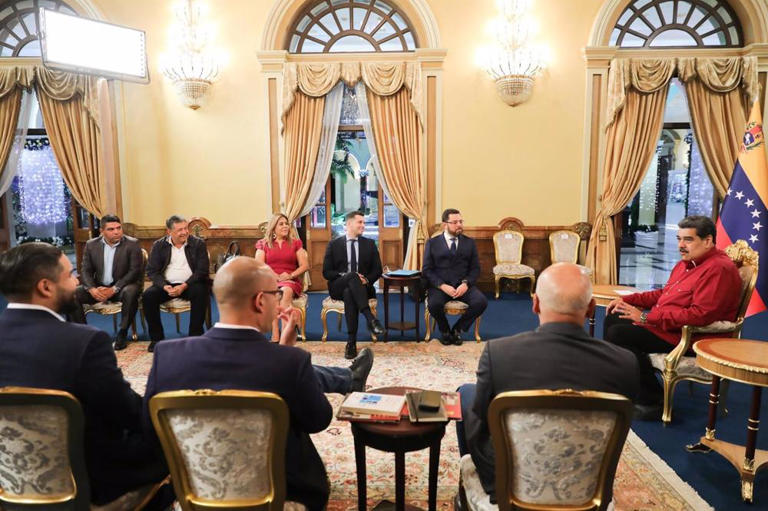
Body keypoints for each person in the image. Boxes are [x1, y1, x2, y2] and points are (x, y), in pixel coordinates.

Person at [143, 257, 373, 510]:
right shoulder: (290, 362)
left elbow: (150, 433)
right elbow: (319, 420)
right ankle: (349, 380)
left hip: (194, 497)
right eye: (276, 294)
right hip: (283, 498)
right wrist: (287, 356)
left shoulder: (167, 357)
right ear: (260, 301)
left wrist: (284, 355)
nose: (279, 301)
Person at [0, 242, 169, 507]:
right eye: (70, 275)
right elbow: (127, 412)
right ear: (45, 287)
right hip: (86, 481)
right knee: (170, 443)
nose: (76, 280)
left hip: (8, 479)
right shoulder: (84, 342)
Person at [456, 263, 639, 504]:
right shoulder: (625, 363)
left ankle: (483, 490)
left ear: (535, 303)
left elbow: (481, 418)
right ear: (591, 308)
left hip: (511, 486)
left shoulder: (499, 354)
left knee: (466, 395)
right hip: (586, 490)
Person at [604, 215, 742, 418]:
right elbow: (664, 294)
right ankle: (628, 385)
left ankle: (652, 401)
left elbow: (699, 315)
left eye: (688, 240)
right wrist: (628, 300)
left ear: (708, 241)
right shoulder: (687, 263)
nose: (681, 245)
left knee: (619, 334)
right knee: (615, 316)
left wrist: (646, 318)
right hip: (668, 326)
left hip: (691, 337)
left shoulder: (719, 269)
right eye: (679, 239)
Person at [71, 214, 143, 350]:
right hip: (99, 288)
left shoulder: (132, 244)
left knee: (131, 291)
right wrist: (92, 289)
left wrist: (114, 289)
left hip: (121, 288)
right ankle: (84, 335)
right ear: (102, 231)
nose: (116, 232)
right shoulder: (91, 245)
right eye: (111, 229)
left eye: (118, 228)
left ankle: (122, 333)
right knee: (72, 294)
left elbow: (134, 272)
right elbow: (85, 270)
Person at [142, 215, 210, 352]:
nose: (184, 232)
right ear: (169, 231)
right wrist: (164, 286)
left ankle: (195, 337)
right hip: (167, 285)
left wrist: (184, 285)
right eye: (180, 230)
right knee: (148, 296)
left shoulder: (198, 244)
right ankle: (156, 339)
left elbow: (202, 271)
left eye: (185, 228)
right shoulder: (159, 245)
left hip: (191, 284)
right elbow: (152, 271)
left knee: (201, 291)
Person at [322, 210, 384, 359]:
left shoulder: (369, 244)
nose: (363, 225)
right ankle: (370, 318)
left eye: (364, 222)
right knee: (351, 277)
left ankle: (351, 343)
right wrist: (347, 276)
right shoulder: (334, 244)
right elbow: (326, 272)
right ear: (349, 224)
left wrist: (366, 280)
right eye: (360, 222)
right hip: (338, 286)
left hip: (362, 288)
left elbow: (378, 270)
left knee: (349, 293)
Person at [422, 208, 487, 345]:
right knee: (434, 304)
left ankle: (458, 329)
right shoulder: (432, 243)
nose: (459, 225)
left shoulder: (469, 243)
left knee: (481, 302)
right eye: (455, 222)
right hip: (441, 287)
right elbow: (427, 270)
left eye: (461, 221)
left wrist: (466, 284)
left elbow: (475, 268)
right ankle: (445, 330)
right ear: (445, 224)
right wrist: (442, 285)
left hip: (463, 286)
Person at [255, 213, 309, 341]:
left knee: (285, 291)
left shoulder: (296, 243)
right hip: (270, 280)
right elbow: (258, 265)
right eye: (281, 224)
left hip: (290, 281)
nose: (285, 226)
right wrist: (274, 276)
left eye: (286, 224)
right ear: (273, 227)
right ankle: (276, 333)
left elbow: (305, 265)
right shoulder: (263, 244)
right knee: (275, 294)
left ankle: (285, 333)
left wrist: (290, 275)